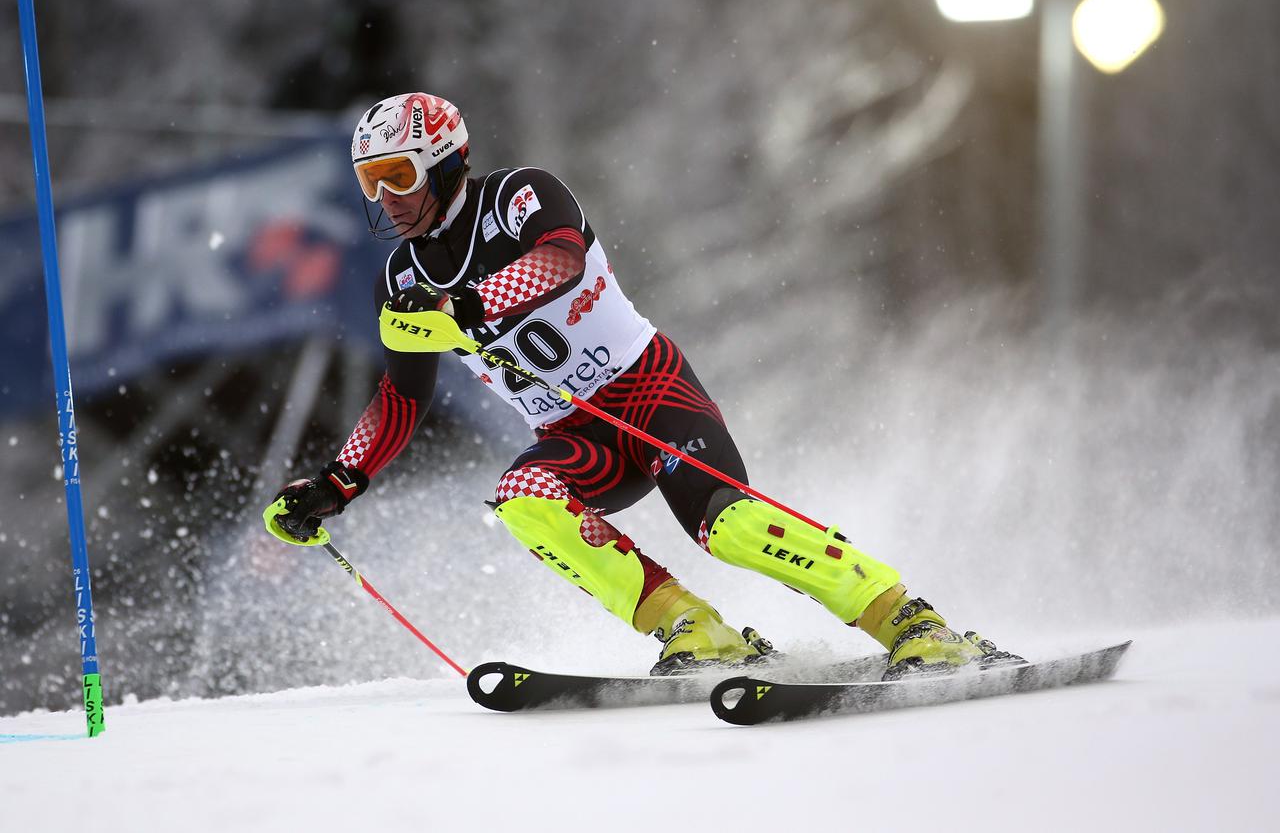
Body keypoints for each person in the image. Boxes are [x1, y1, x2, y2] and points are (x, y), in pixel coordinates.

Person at [263, 92, 1018, 677]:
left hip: (649, 392)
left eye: (398, 174)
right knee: (523, 500)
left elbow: (557, 259)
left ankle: (911, 621)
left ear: (444, 160)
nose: (386, 196)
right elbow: (402, 397)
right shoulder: (401, 278)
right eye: (371, 181)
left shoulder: (519, 196)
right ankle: (693, 626)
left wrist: (471, 305)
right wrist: (336, 483)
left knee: (726, 526)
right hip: (575, 435)